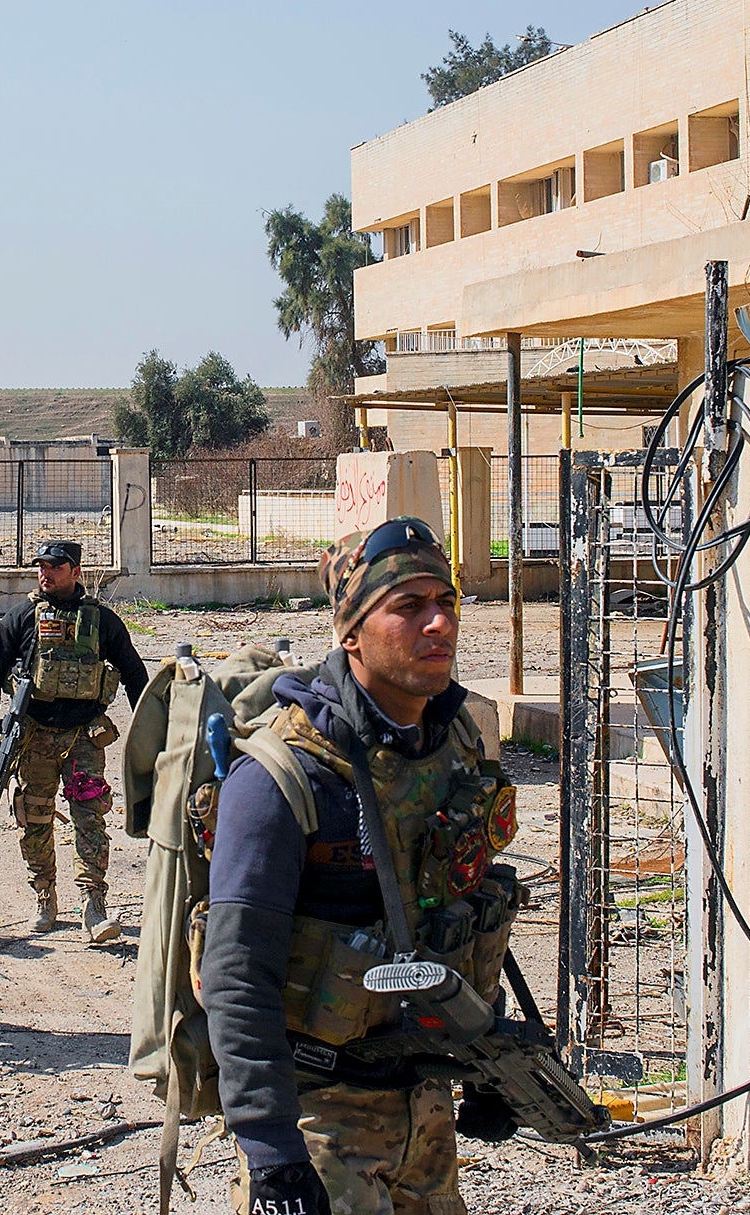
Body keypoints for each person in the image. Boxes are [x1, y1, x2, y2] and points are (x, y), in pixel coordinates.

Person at [200, 518, 517, 1215]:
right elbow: (235, 973)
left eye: (447, 602)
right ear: (350, 632)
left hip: (423, 1106)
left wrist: (489, 1060)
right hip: (319, 1116)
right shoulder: (284, 776)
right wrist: (272, 1154)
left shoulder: (456, 744)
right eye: (407, 607)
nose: (439, 623)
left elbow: (471, 904)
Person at [0, 538, 149, 941]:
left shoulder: (103, 622)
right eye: (41, 566)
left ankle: (92, 902)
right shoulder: (19, 620)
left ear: (76, 571)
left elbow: (135, 677)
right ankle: (45, 894)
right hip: (33, 737)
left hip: (84, 738)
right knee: (34, 820)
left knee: (90, 818)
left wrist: (149, 732)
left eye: (55, 566)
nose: (45, 573)